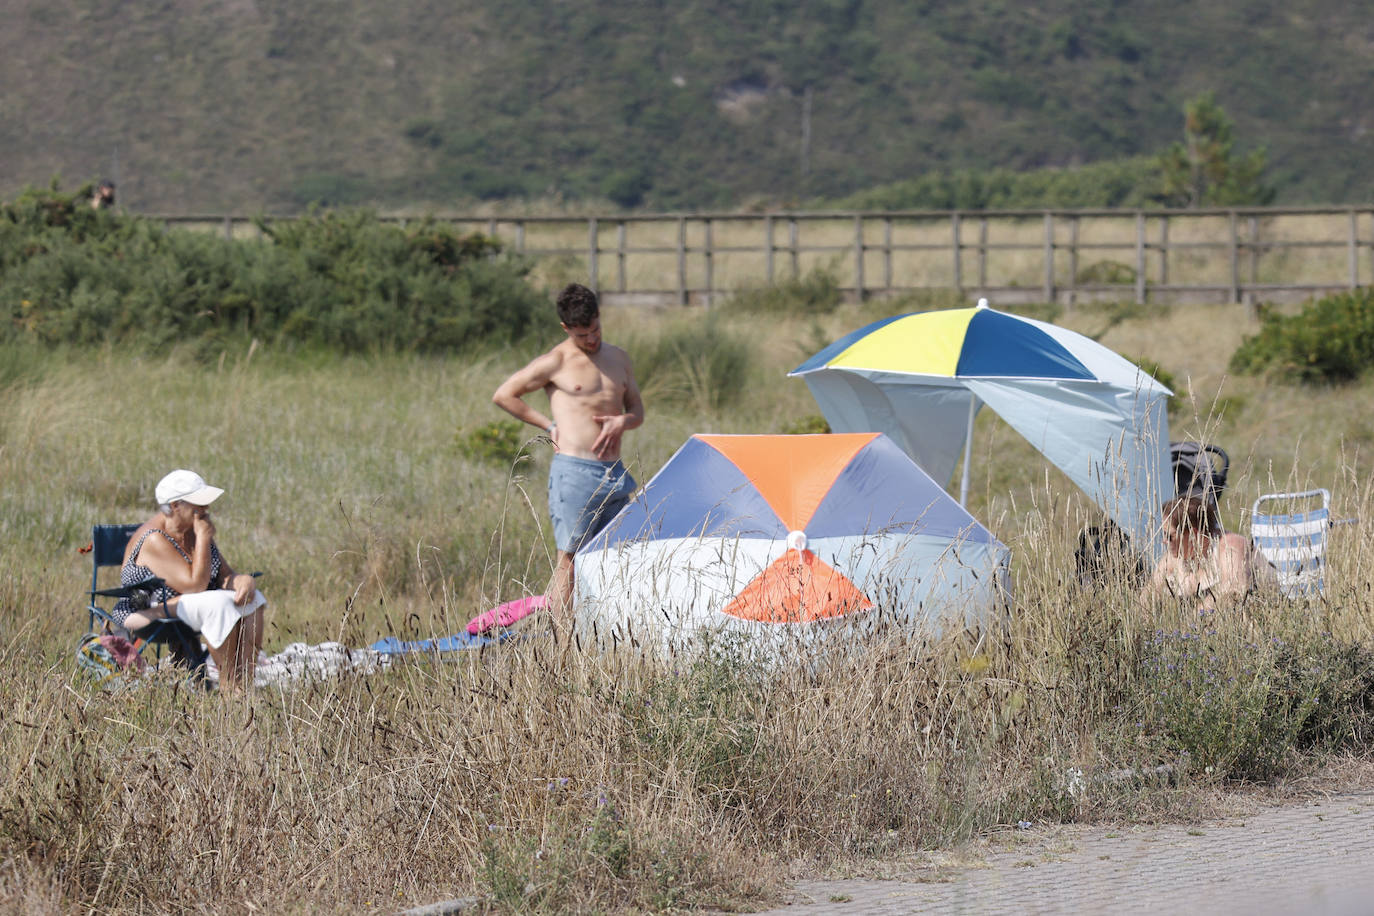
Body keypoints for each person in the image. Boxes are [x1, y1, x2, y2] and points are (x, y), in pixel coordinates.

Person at [492, 283, 645, 619]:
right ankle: (560, 648)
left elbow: (638, 411)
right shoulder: (556, 361)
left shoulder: (618, 358)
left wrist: (622, 421)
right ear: (566, 329)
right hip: (575, 472)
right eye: (582, 335)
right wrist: (548, 426)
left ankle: (601, 636)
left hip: (615, 473)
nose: (591, 340)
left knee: (615, 559)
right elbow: (504, 394)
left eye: (595, 330)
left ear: (600, 318)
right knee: (570, 561)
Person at [111, 469, 267, 688]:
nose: (206, 509)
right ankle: (230, 685)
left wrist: (242, 581)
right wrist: (204, 538)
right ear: (175, 506)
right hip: (147, 613)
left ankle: (244, 680)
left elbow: (224, 575)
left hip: (184, 607)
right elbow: (195, 585)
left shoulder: (192, 529)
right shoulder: (154, 538)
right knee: (218, 603)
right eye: (198, 504)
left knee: (255, 598)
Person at [1143, 494, 1276, 612]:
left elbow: (1234, 590)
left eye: (1169, 536)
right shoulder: (1177, 555)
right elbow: (1149, 592)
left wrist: (1193, 623)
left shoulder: (1231, 546)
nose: (1164, 541)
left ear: (1193, 534)